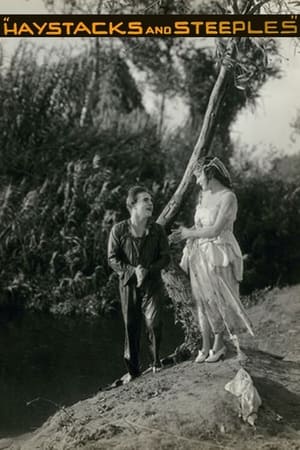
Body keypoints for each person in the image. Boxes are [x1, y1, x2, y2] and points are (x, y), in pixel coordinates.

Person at [170, 156, 254, 363]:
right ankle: (205, 345)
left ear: (209, 173)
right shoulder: (202, 196)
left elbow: (216, 229)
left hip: (220, 251)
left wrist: (188, 234)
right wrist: (184, 237)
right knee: (203, 299)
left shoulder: (228, 197)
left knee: (220, 297)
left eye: (198, 176)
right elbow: (199, 227)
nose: (197, 181)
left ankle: (220, 343)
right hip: (200, 252)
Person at [108, 186, 170, 383]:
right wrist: (133, 271)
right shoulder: (118, 230)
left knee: (154, 322)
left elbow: (165, 257)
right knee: (131, 325)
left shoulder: (158, 230)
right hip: (128, 284)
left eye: (151, 200)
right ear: (132, 205)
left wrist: (148, 270)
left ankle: (155, 362)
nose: (151, 203)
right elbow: (111, 258)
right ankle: (134, 371)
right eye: (145, 200)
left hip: (153, 283)